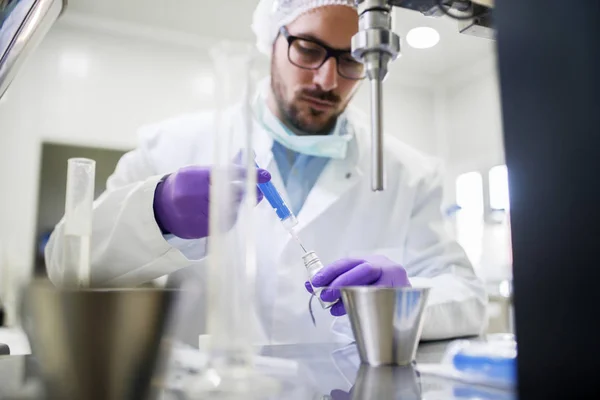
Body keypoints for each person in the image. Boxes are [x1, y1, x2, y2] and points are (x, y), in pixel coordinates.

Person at [45, 0, 488, 345]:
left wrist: (407, 295)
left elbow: (468, 298)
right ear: (273, 40)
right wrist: (156, 211)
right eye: (309, 49)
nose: (327, 80)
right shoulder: (173, 144)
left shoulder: (410, 173)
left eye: (351, 59)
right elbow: (67, 265)